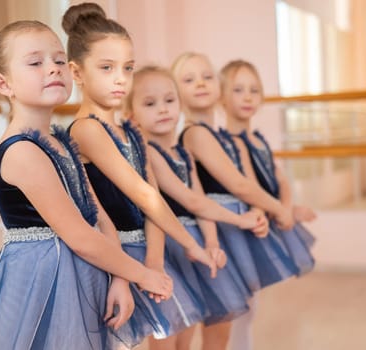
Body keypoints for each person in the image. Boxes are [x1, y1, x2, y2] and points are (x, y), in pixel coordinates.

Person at [0, 20, 172, 350]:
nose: (52, 69)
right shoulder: (21, 150)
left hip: (86, 272)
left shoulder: (63, 141)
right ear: (3, 83)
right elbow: (79, 235)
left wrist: (121, 278)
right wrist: (142, 273)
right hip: (40, 280)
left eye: (58, 60)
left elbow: (99, 219)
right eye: (36, 63)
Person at [61, 3, 216, 347]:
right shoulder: (86, 130)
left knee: (175, 336)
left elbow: (153, 201)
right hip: (112, 259)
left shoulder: (132, 132)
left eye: (127, 68)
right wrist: (192, 246)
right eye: (106, 67)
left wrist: (155, 263)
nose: (120, 78)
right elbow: (142, 195)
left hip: (148, 252)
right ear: (77, 72)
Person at [126, 65, 269, 350]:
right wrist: (241, 221)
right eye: (150, 104)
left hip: (193, 246)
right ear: (132, 116)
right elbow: (188, 201)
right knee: (168, 334)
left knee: (189, 330)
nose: (163, 109)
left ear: (180, 105)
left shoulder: (182, 153)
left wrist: (213, 242)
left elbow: (201, 203)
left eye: (169, 101)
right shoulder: (150, 154)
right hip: (169, 246)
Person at [172, 52, 298, 350]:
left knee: (227, 321)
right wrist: (277, 208)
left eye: (207, 76)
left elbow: (249, 182)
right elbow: (236, 184)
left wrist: (258, 210)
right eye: (189, 79)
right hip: (211, 229)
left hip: (236, 227)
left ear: (219, 87)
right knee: (201, 322)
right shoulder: (195, 134)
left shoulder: (226, 137)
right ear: (176, 90)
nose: (200, 83)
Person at [219, 59, 316, 275]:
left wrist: (288, 209)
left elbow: (280, 178)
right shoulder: (227, 143)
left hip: (272, 213)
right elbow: (248, 187)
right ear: (221, 96)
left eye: (254, 90)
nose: (247, 97)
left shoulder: (259, 140)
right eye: (238, 90)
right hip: (252, 220)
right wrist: (281, 210)